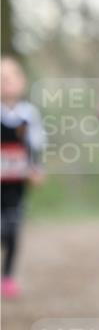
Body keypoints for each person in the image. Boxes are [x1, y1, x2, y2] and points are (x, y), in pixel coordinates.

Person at [0, 56, 44, 299]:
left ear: (22, 81)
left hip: (18, 183)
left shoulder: (29, 115)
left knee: (14, 230)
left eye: (11, 76)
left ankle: (7, 277)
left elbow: (35, 147)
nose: (6, 82)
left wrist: (36, 169)